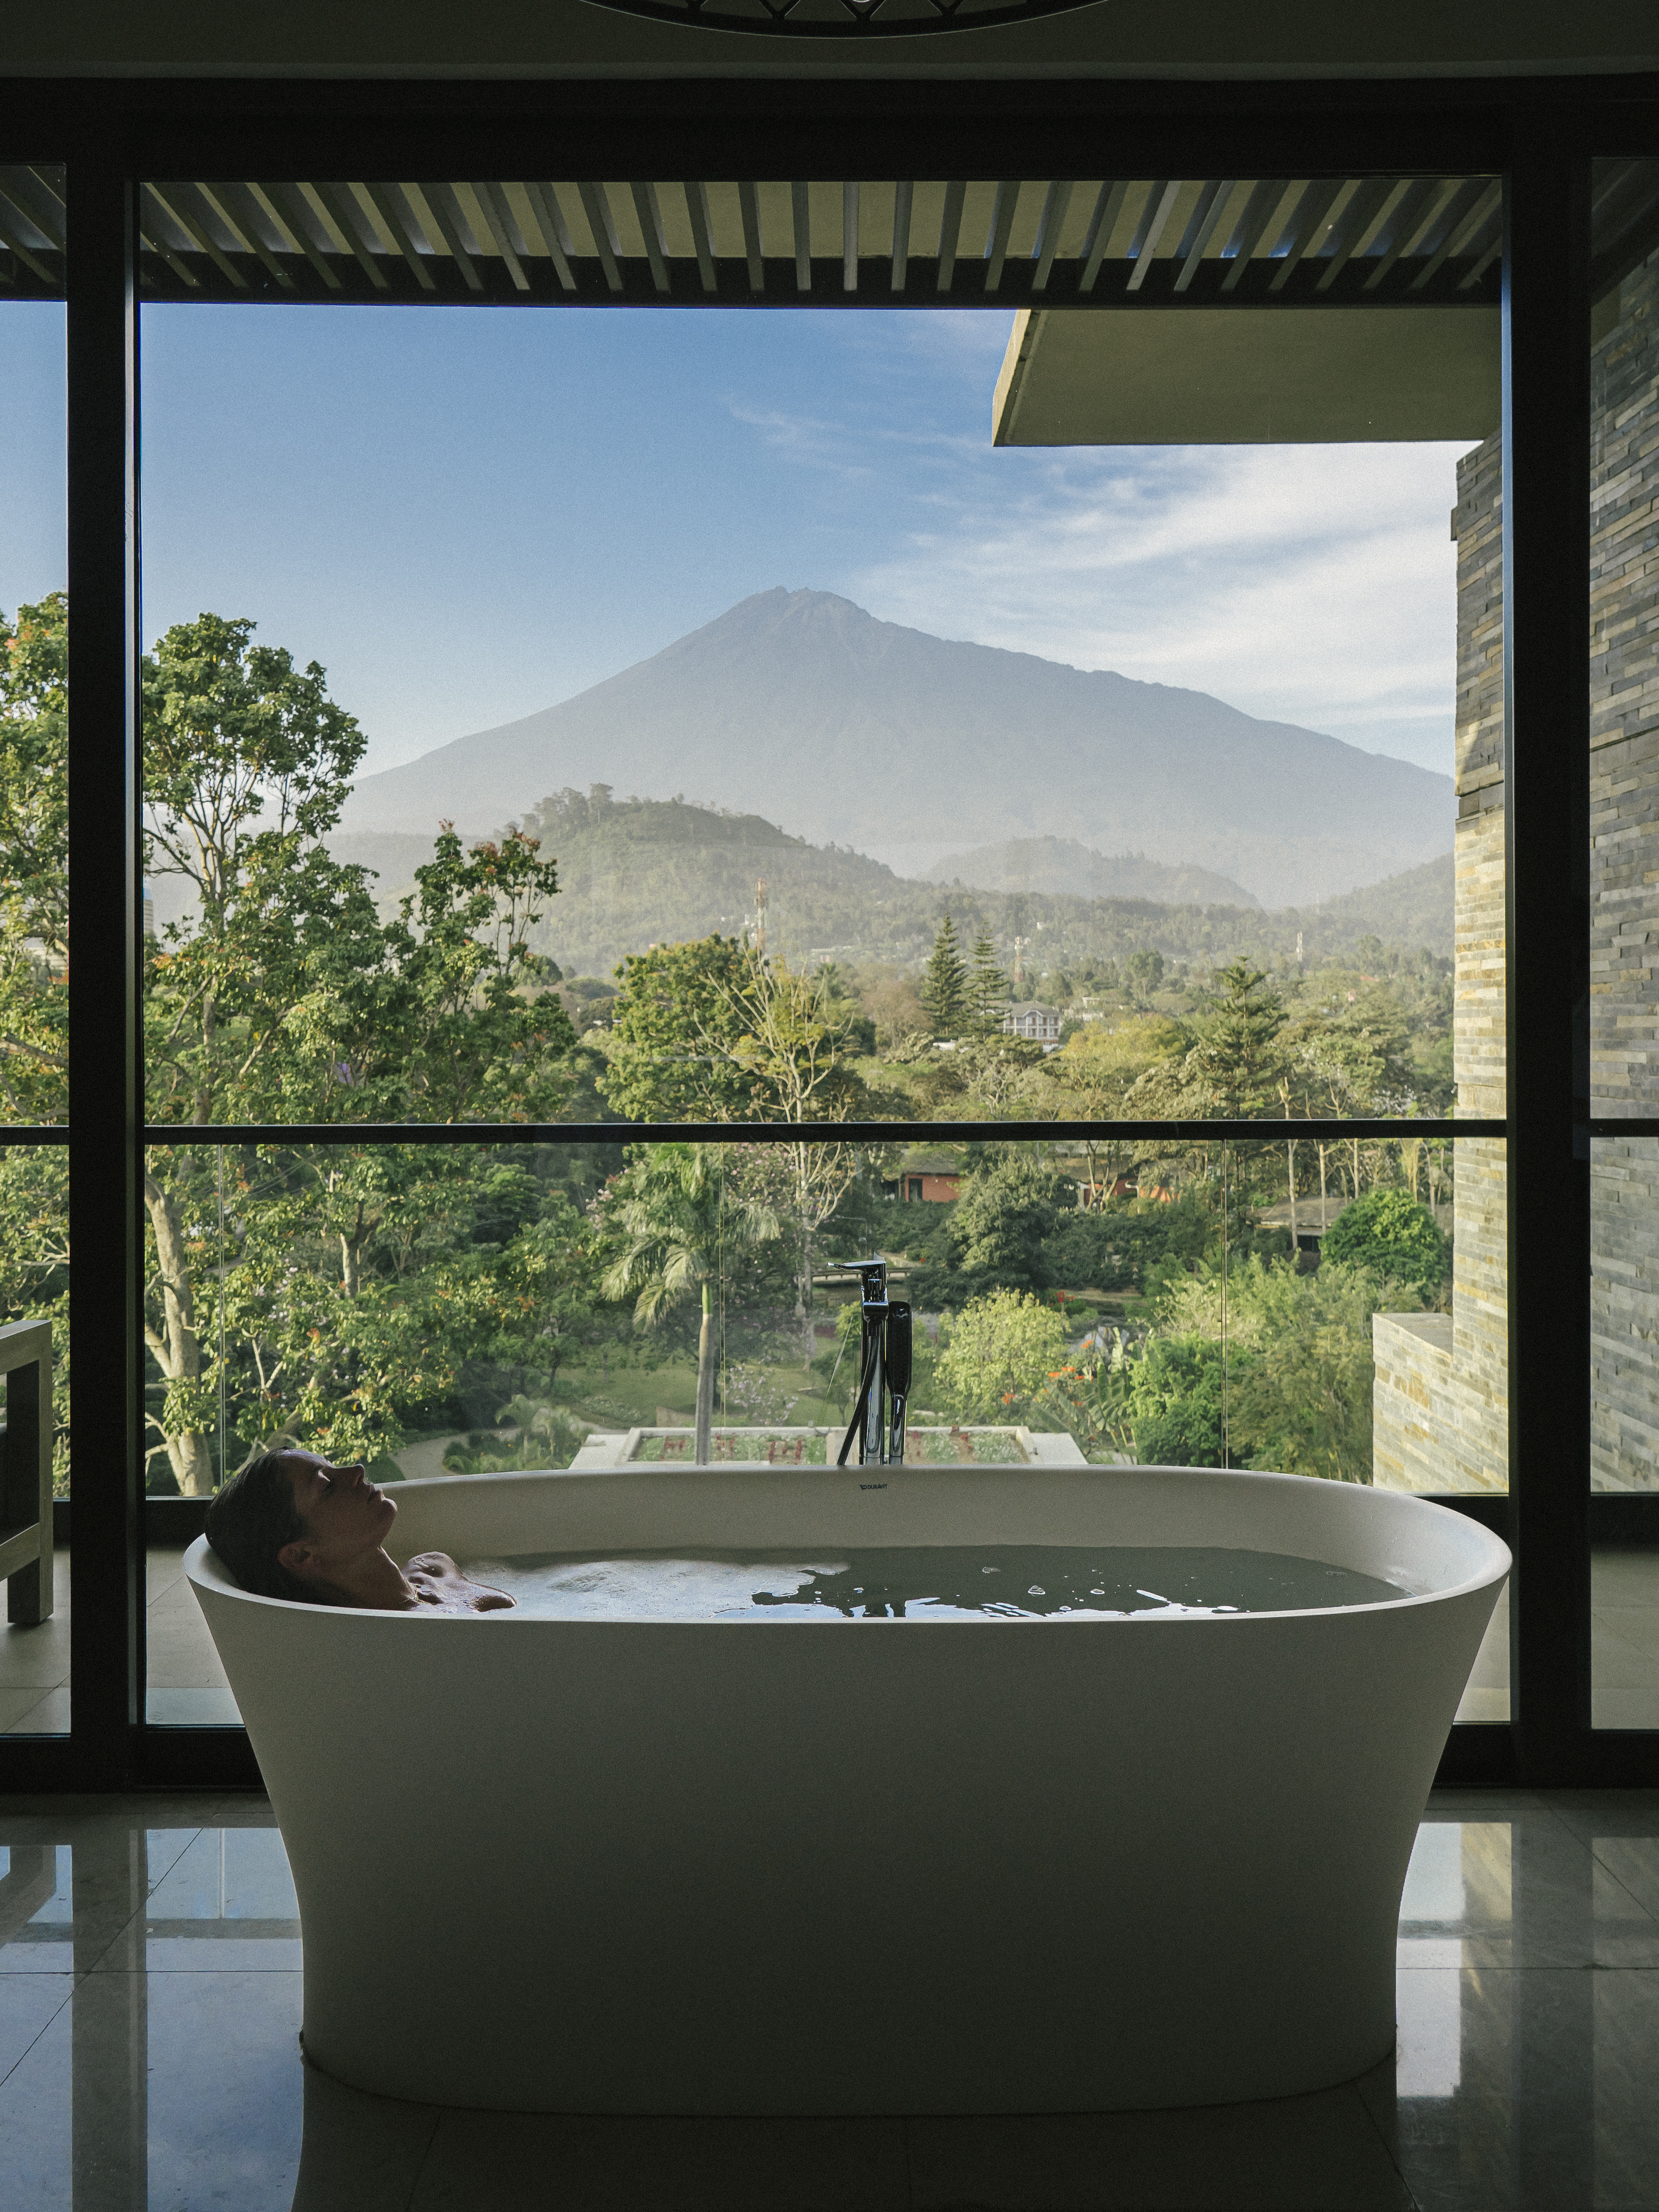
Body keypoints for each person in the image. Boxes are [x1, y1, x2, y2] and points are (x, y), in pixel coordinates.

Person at [205, 1444, 515, 1613]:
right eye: (326, 1486)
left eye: (332, 1465)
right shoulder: (397, 1640)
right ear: (302, 1555)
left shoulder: (434, 1566)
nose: (356, 1471)